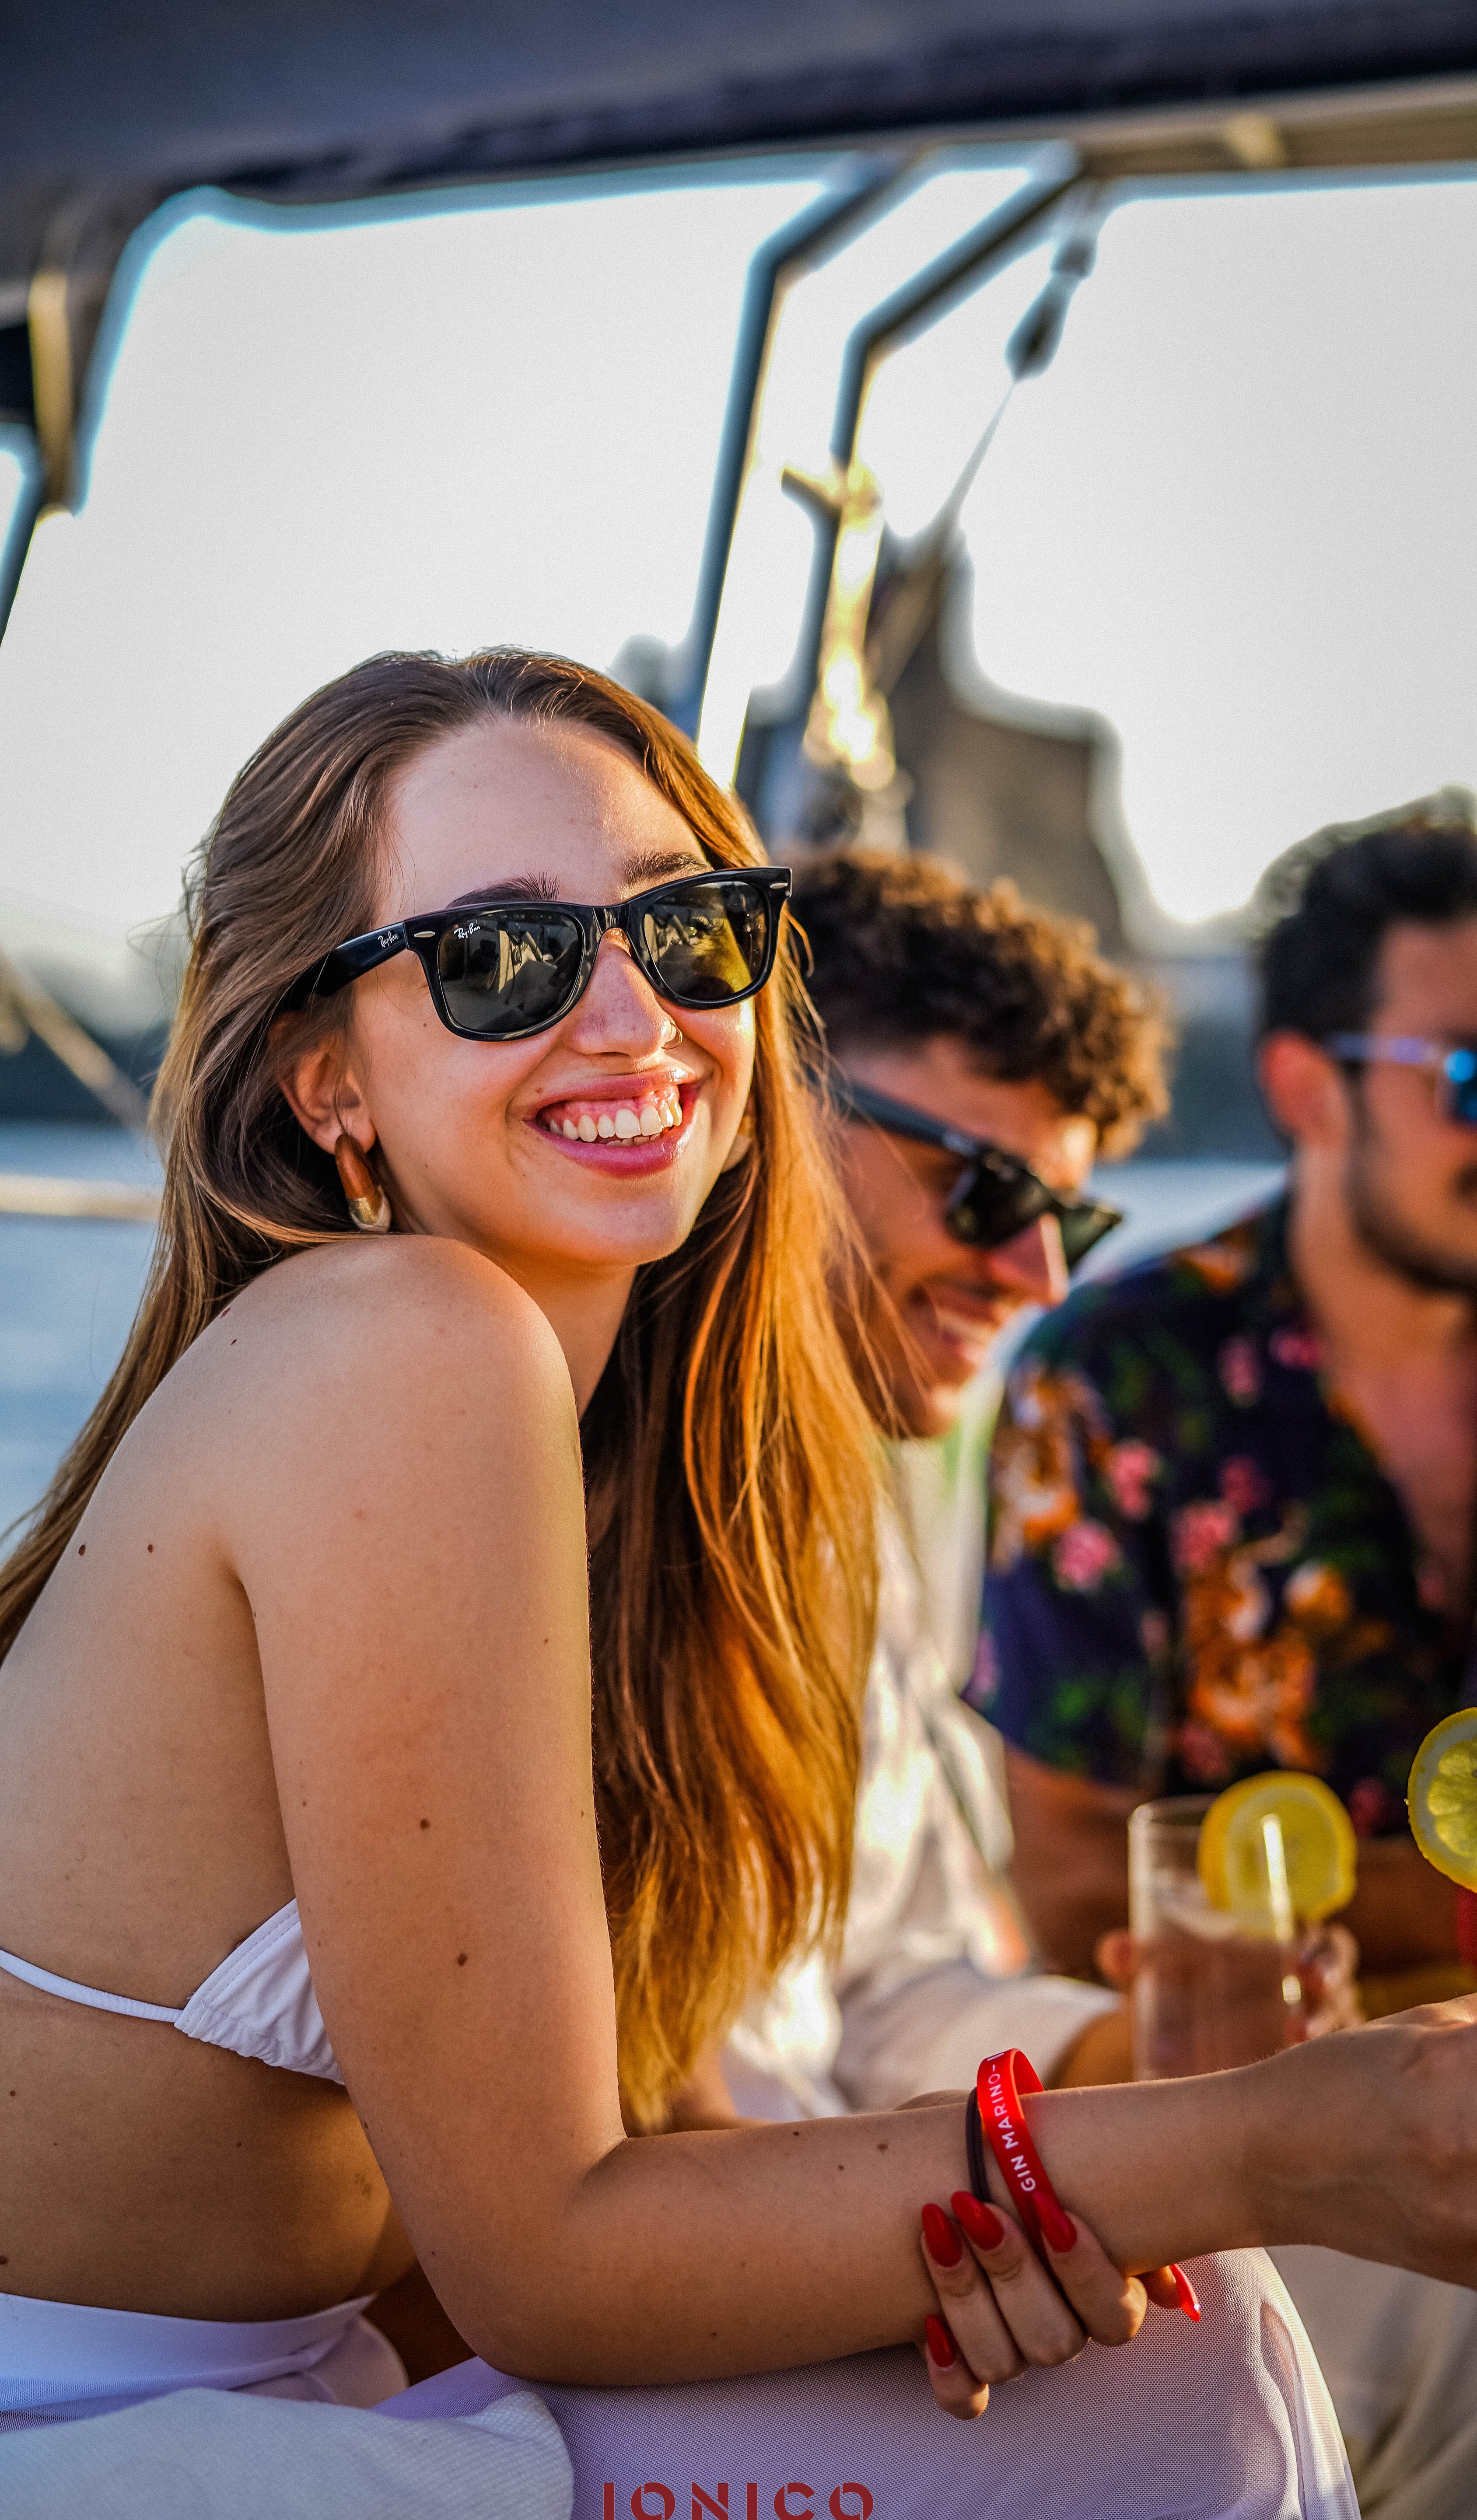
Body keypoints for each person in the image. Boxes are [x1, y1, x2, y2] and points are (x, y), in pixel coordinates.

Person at [0, 654, 1470, 2516]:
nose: (631, 1016)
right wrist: (1274, 2143)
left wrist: (991, 2211)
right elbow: (542, 2252)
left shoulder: (630, 1476)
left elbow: (642, 2135)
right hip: (78, 2426)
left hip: (324, 2377)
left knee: (1189, 2366)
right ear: (323, 1077)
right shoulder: (398, 1346)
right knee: (1209, 2397)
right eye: (502, 961)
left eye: (686, 931)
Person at [980, 803, 1477, 2510]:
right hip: (1265, 2140)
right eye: (1465, 1080)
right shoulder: (1120, 1383)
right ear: (1301, 1088)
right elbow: (1066, 1895)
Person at [723, 848, 1168, 2119]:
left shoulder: (837, 1513)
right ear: (771, 1107)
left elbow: (888, 1992)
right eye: (987, 1190)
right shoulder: (556, 1496)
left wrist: (1171, 2042)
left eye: (1071, 1222)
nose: (1040, 1278)